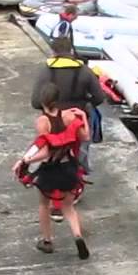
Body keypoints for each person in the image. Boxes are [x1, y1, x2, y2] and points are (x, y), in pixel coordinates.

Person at [13, 83, 91, 259]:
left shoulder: (42, 122)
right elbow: (85, 136)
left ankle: (47, 241)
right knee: (69, 207)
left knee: (44, 204)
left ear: (42, 102)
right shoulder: (70, 117)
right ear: (58, 100)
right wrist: (84, 117)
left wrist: (25, 160)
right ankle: (78, 237)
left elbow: (45, 149)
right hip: (69, 167)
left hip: (50, 170)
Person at [32, 36, 106, 178]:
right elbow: (99, 97)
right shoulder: (84, 71)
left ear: (53, 52)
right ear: (71, 50)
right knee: (80, 151)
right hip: (77, 117)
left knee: (52, 150)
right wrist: (86, 104)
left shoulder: (46, 72)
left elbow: (35, 102)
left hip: (52, 120)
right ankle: (77, 182)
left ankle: (52, 179)